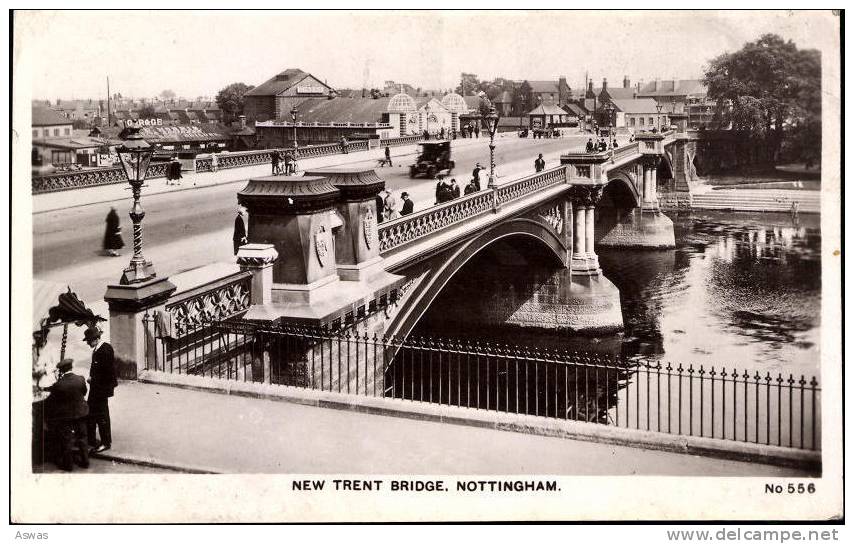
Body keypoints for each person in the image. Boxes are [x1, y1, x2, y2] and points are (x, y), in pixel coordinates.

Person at [43, 358, 89, 471]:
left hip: (66, 416)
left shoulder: (59, 384)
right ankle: (85, 462)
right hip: (81, 413)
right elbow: (83, 392)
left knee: (67, 440)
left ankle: (68, 466)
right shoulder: (80, 379)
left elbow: (53, 397)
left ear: (61, 371)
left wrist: (43, 388)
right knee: (82, 438)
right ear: (71, 367)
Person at [84, 326, 117, 454]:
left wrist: (94, 380)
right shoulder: (99, 349)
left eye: (89, 340)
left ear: (97, 339)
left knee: (102, 415)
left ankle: (105, 442)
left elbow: (108, 373)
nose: (88, 343)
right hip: (97, 388)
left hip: (100, 389)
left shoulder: (105, 350)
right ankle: (90, 439)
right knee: (91, 413)